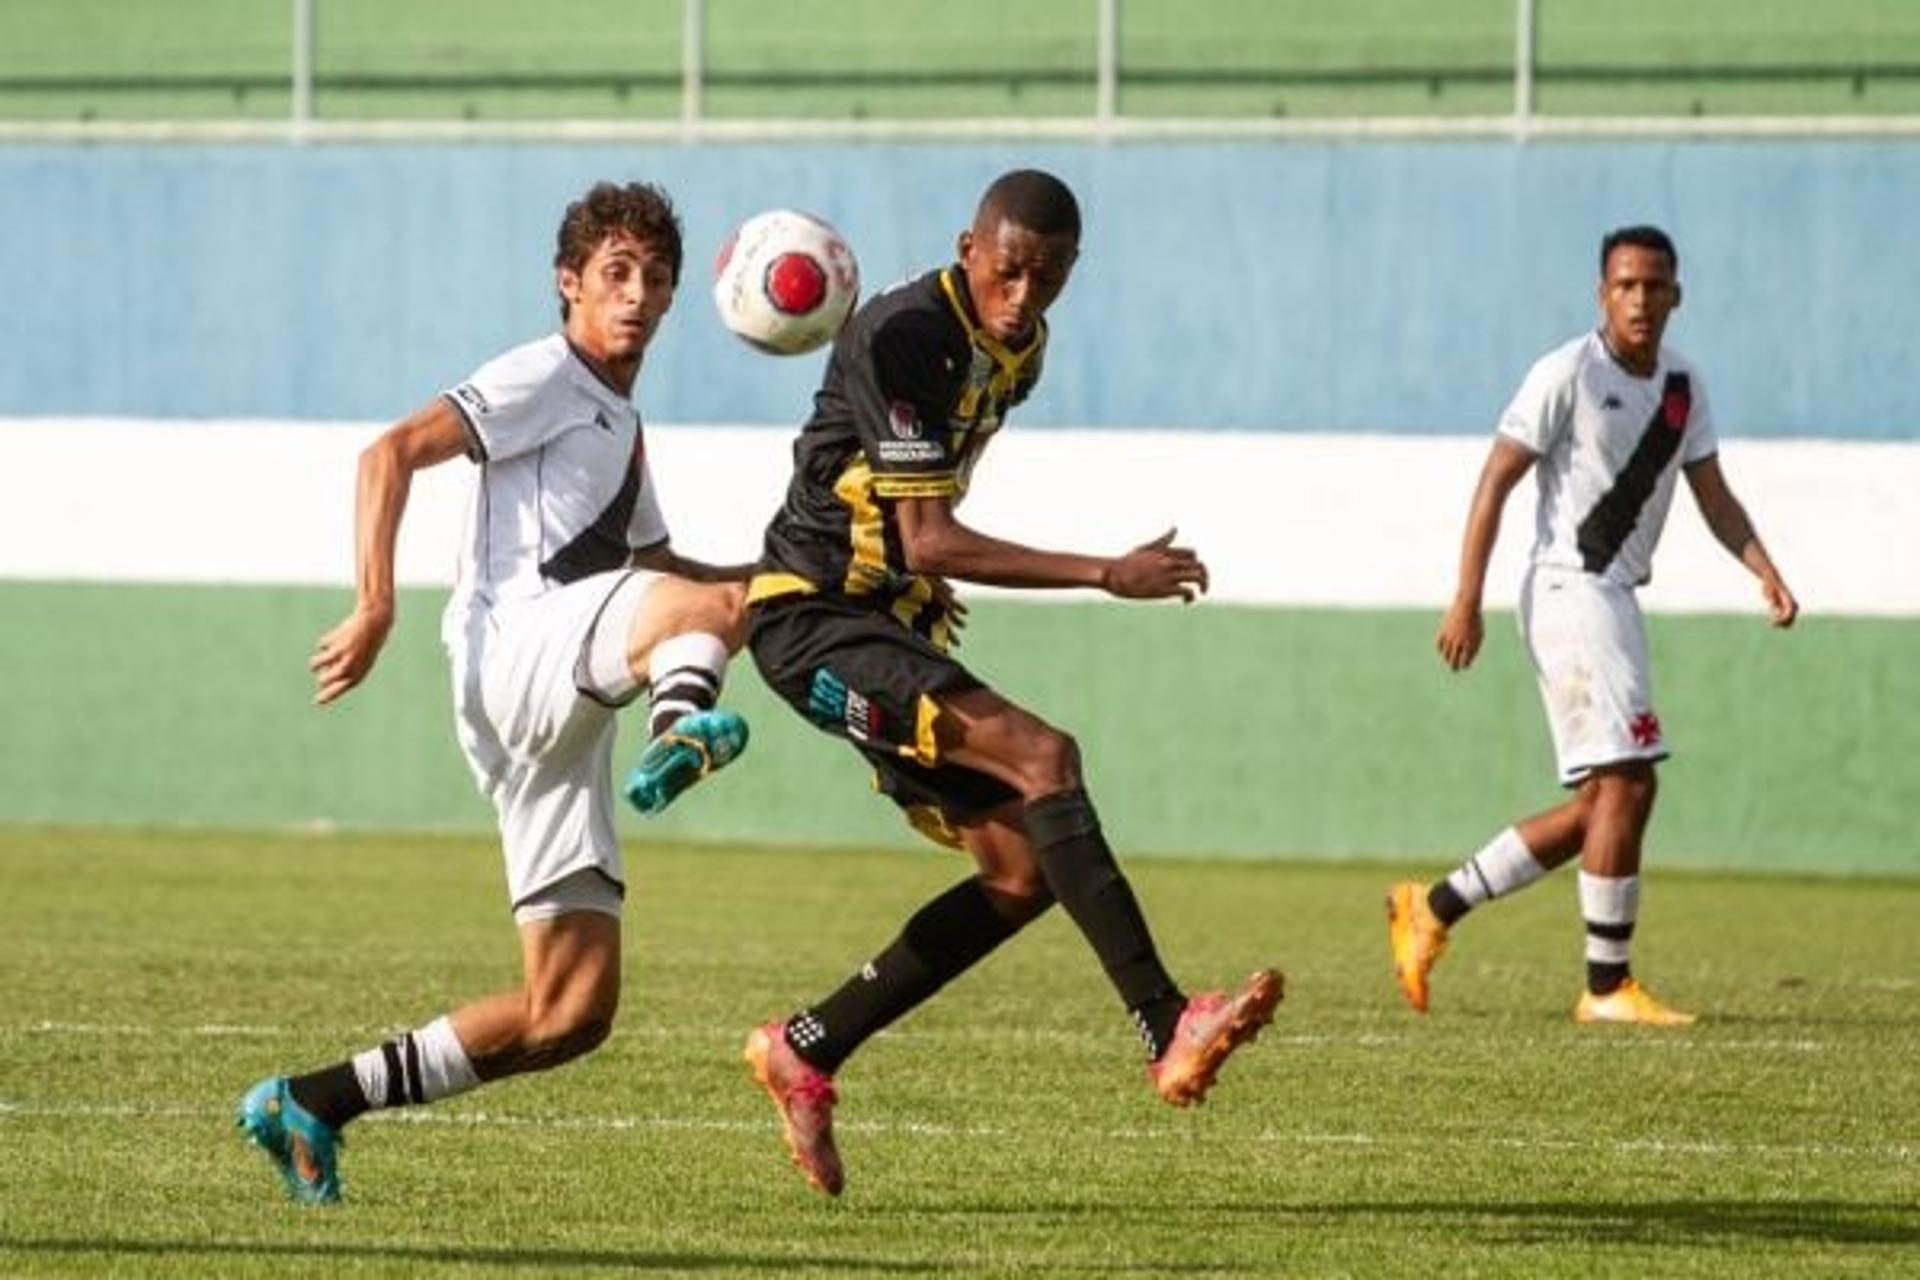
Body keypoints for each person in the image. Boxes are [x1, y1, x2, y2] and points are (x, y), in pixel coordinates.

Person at [740, 168, 1283, 1197]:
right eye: (1007, 269)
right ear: (966, 246)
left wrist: (922, 589)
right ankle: (1167, 1023)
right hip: (811, 623)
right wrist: (1104, 572)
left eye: (1048, 275)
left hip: (878, 620)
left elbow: (916, 502)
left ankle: (807, 1045)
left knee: (1021, 872)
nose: (1024, 294)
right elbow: (928, 525)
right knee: (1045, 755)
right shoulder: (906, 335)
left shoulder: (1017, 350)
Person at [236, 181, 754, 1204]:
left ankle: (314, 1100)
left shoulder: (621, 424)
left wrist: (793, 583)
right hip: (519, 649)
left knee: (570, 1009)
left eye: (655, 278)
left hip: (552, 710)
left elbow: (673, 571)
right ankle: (683, 723)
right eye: (615, 273)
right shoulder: (544, 374)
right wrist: (374, 602)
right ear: (568, 284)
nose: (637, 294)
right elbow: (388, 452)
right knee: (703, 619)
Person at [1387, 225, 1798, 1027]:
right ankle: (1606, 987)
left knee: (1606, 804)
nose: (1640, 299)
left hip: (1615, 597)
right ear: (1602, 293)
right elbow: (1495, 481)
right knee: (1630, 781)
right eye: (1626, 285)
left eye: (1655, 285)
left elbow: (1712, 494)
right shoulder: (1566, 373)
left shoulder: (1683, 386)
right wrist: (1465, 596)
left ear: (1677, 294)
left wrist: (1764, 567)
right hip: (1572, 590)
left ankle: (1430, 907)